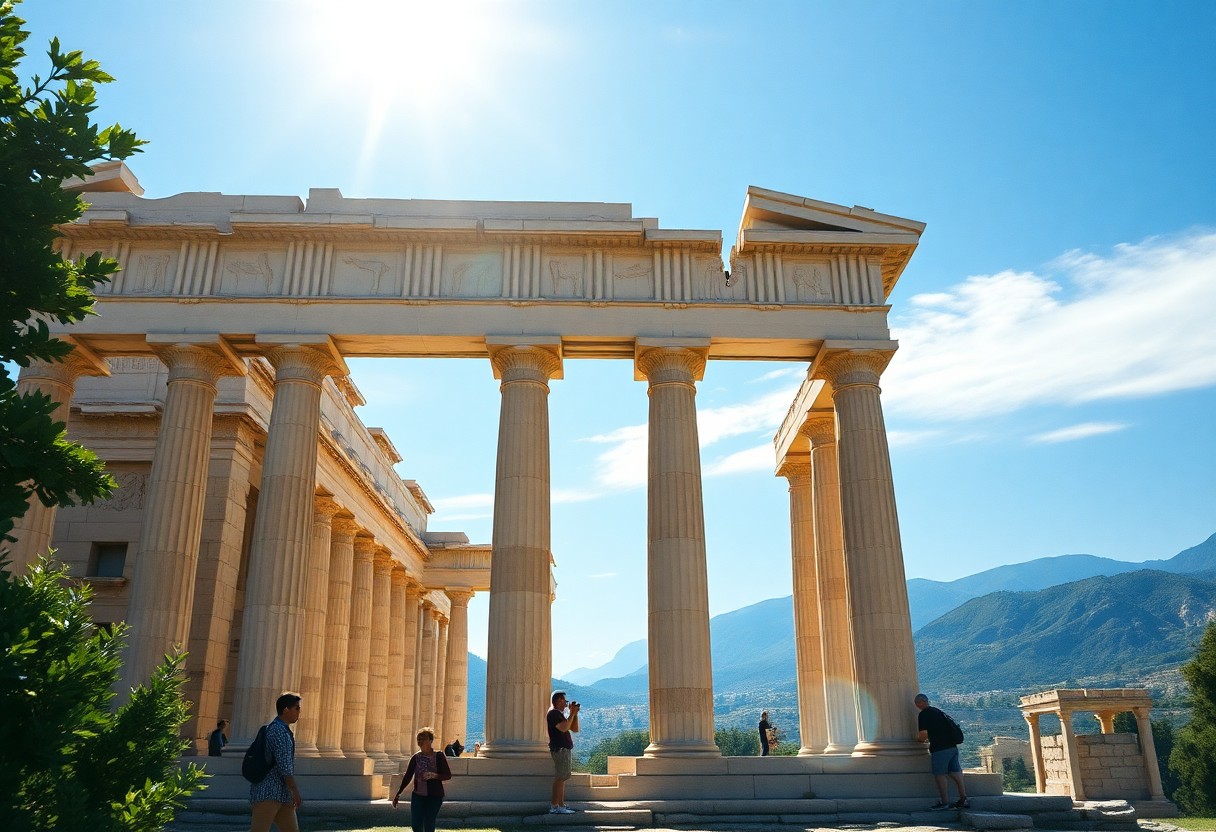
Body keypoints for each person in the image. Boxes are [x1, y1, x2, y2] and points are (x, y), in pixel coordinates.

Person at [250, 692, 302, 832]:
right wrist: (295, 791)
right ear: (286, 710)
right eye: (296, 708)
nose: (299, 712)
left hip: (281, 794)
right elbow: (285, 767)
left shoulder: (276, 729)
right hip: (269, 793)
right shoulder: (280, 732)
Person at [914, 693, 969, 810]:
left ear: (921, 702)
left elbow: (923, 734)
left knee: (940, 775)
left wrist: (918, 740)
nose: (917, 705)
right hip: (952, 747)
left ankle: (945, 803)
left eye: (917, 703)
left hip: (940, 749)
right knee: (956, 772)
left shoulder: (924, 714)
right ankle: (963, 799)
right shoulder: (937, 711)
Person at [392, 727, 452, 832]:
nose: (420, 741)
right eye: (418, 739)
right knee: (416, 824)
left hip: (435, 796)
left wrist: (434, 775)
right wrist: (398, 793)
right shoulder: (415, 757)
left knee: (429, 823)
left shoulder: (439, 756)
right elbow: (408, 776)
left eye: (423, 738)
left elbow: (447, 775)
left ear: (430, 740)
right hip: (418, 795)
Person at [546, 690, 580, 814]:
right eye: (564, 701)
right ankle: (555, 806)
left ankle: (561, 805)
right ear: (558, 701)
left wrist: (574, 714)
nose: (566, 704)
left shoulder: (559, 714)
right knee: (560, 777)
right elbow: (564, 728)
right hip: (559, 749)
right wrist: (571, 713)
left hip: (564, 749)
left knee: (562, 777)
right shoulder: (554, 713)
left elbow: (574, 729)